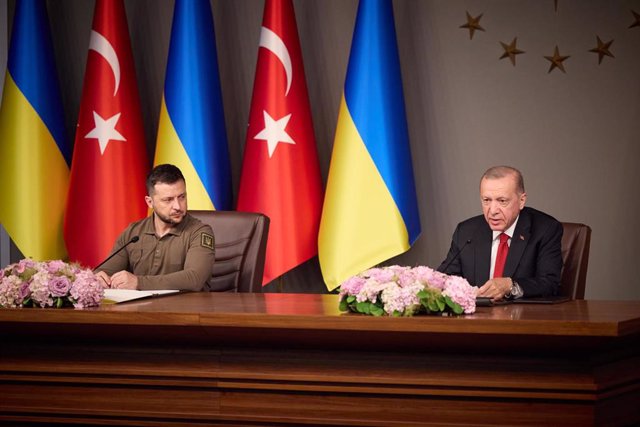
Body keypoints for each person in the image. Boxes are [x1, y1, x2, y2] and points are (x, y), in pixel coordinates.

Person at [438, 165, 562, 301]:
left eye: (502, 201)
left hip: (520, 318)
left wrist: (510, 285)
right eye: (486, 200)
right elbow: (445, 278)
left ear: (522, 201)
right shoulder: (466, 231)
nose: (492, 211)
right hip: (476, 318)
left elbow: (550, 283)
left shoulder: (545, 229)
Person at [95, 164, 215, 291]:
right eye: (168, 200)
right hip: (139, 309)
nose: (178, 206)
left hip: (185, 309)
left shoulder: (199, 232)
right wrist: (100, 279)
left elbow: (194, 279)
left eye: (182, 197)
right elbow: (106, 271)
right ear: (150, 202)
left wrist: (139, 283)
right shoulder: (133, 232)